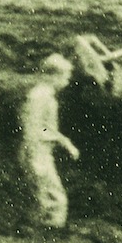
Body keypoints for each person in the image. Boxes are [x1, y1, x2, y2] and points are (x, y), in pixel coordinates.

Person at [19, 53, 80, 232]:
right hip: (37, 150)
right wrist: (36, 156)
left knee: (44, 193)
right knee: (55, 197)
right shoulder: (40, 96)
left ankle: (41, 228)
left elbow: (43, 127)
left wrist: (63, 141)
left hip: (39, 148)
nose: (67, 81)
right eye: (66, 77)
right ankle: (50, 232)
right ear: (53, 75)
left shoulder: (43, 94)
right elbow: (35, 128)